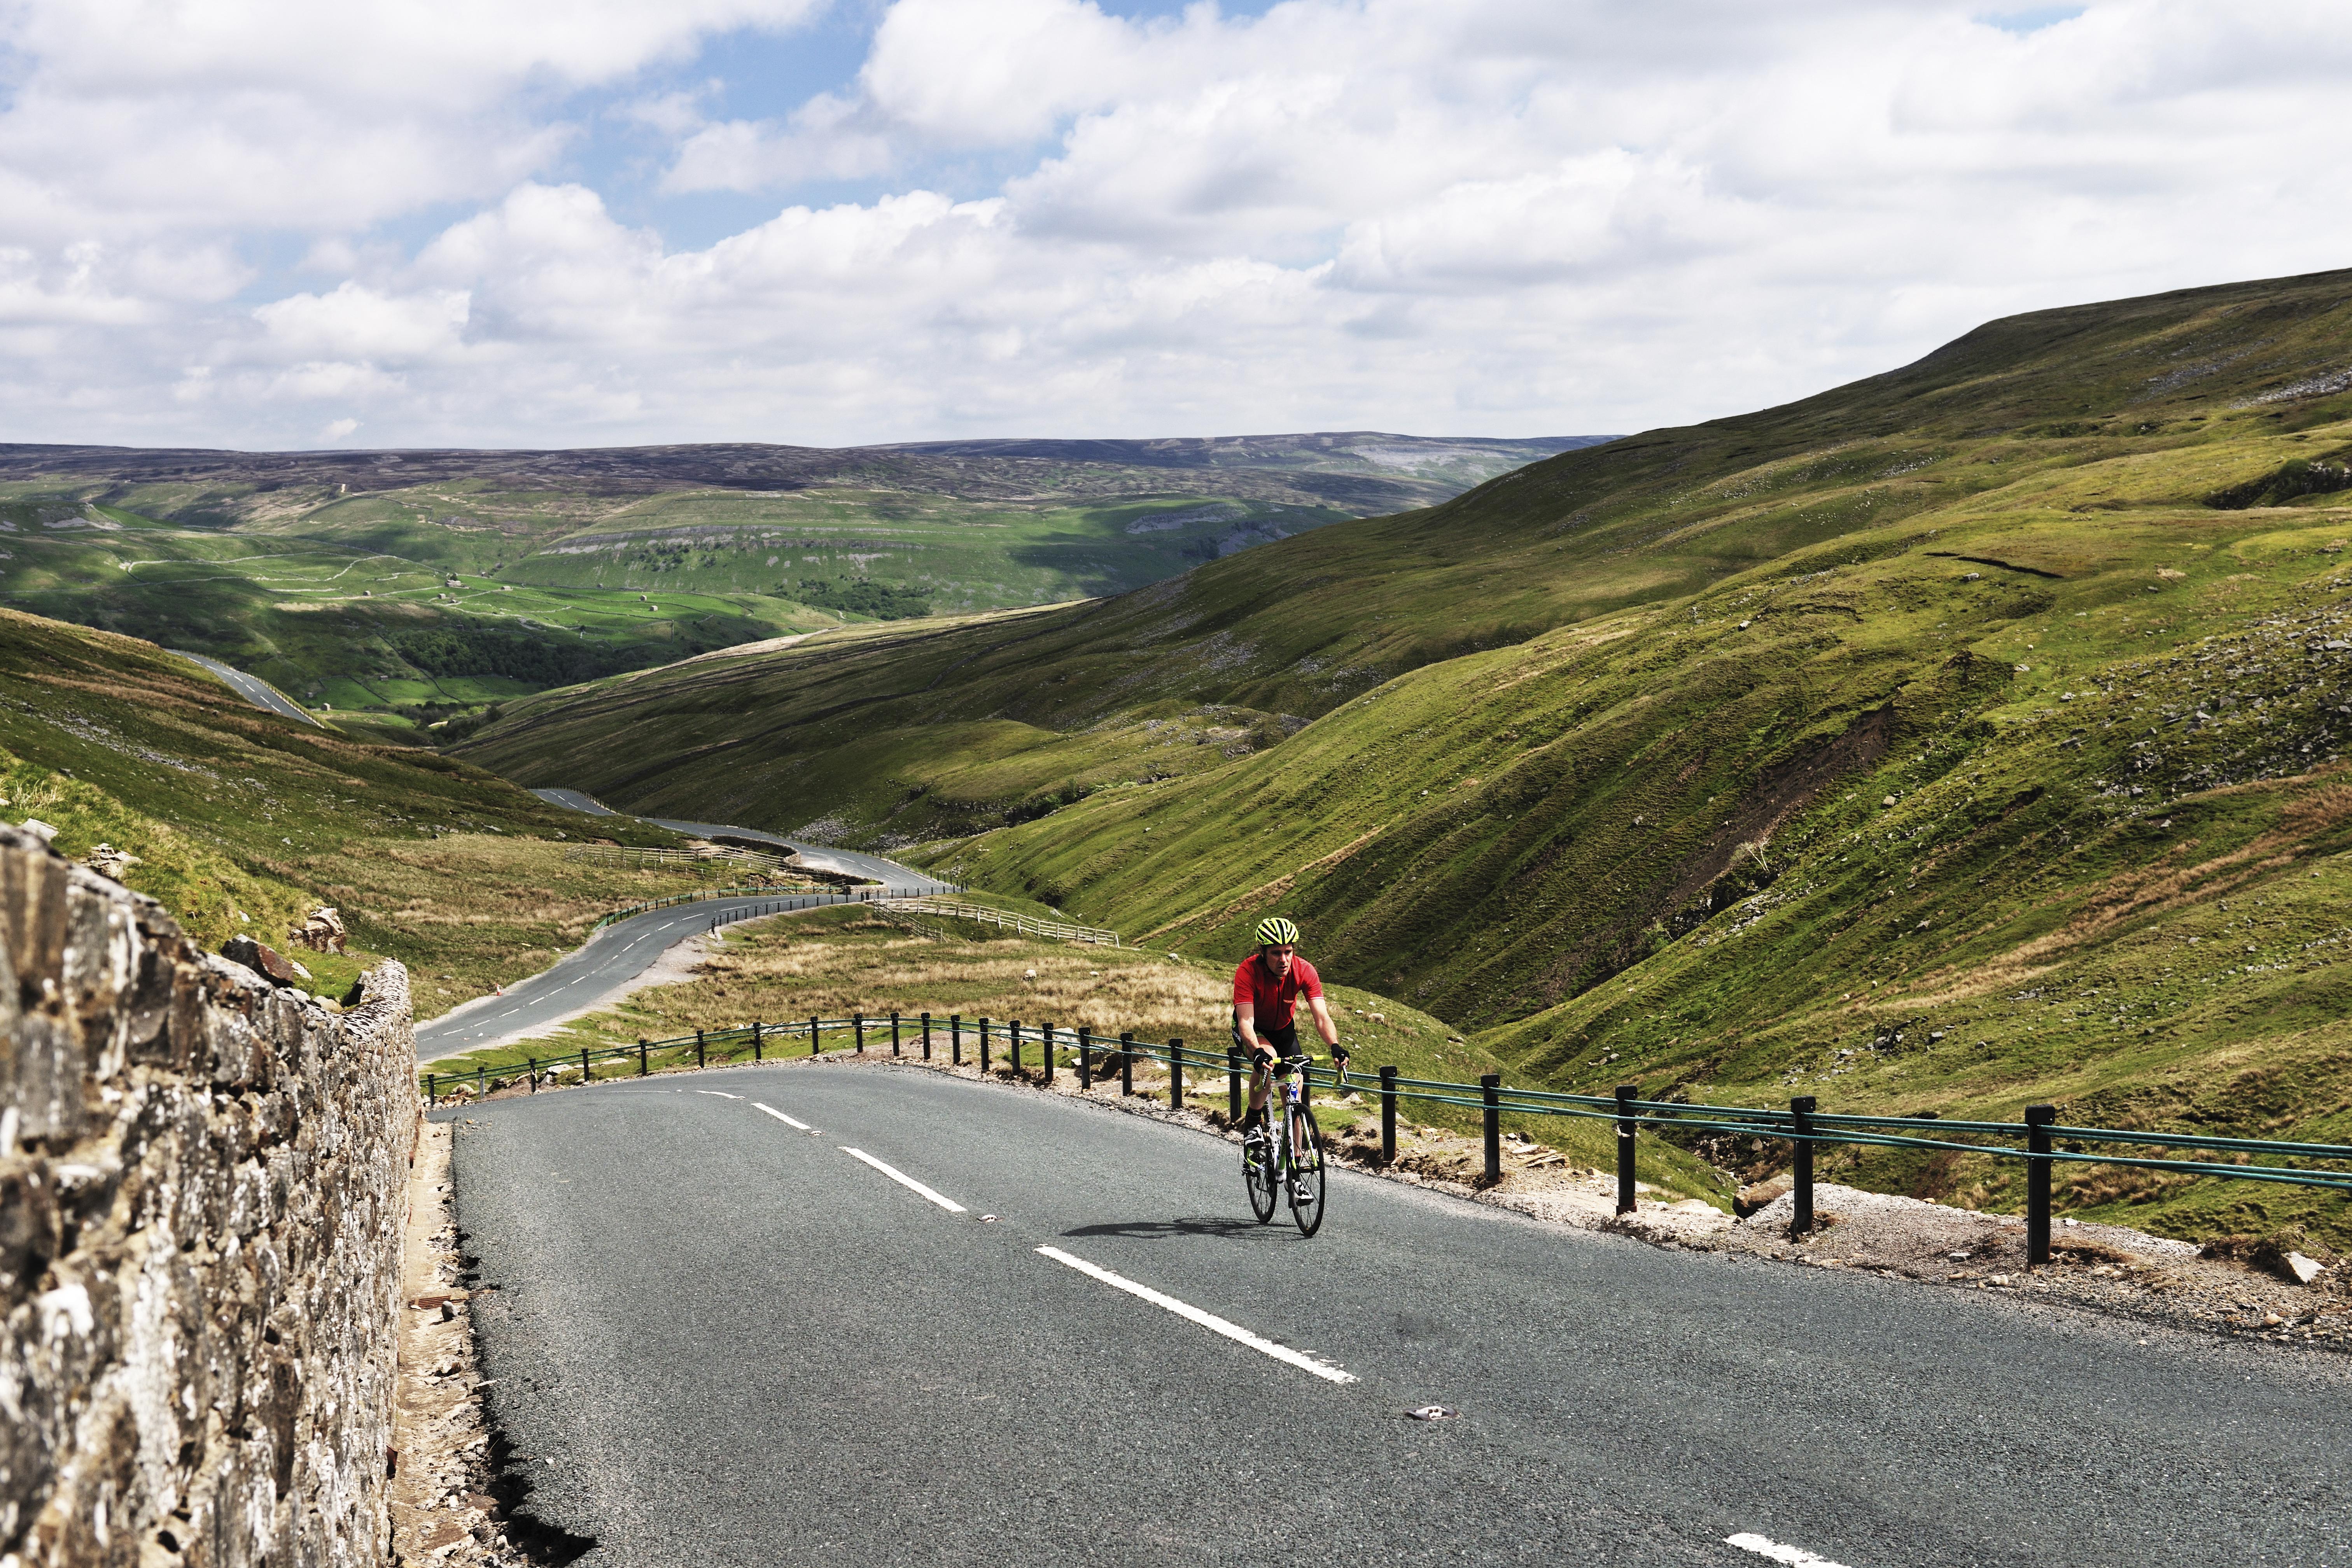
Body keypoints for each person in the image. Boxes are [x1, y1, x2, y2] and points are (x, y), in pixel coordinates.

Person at [1233, 916, 1347, 1148]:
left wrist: (1335, 1046)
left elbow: (1322, 1017)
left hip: (1285, 1030)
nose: (1283, 960)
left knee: (1293, 1094)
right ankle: (1254, 1121)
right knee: (1268, 1061)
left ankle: (1295, 1162)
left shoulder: (1304, 970)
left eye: (1288, 952)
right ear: (1263, 953)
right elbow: (1246, 1021)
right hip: (1254, 1030)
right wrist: (1256, 1052)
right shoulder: (1248, 971)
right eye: (1276, 953)